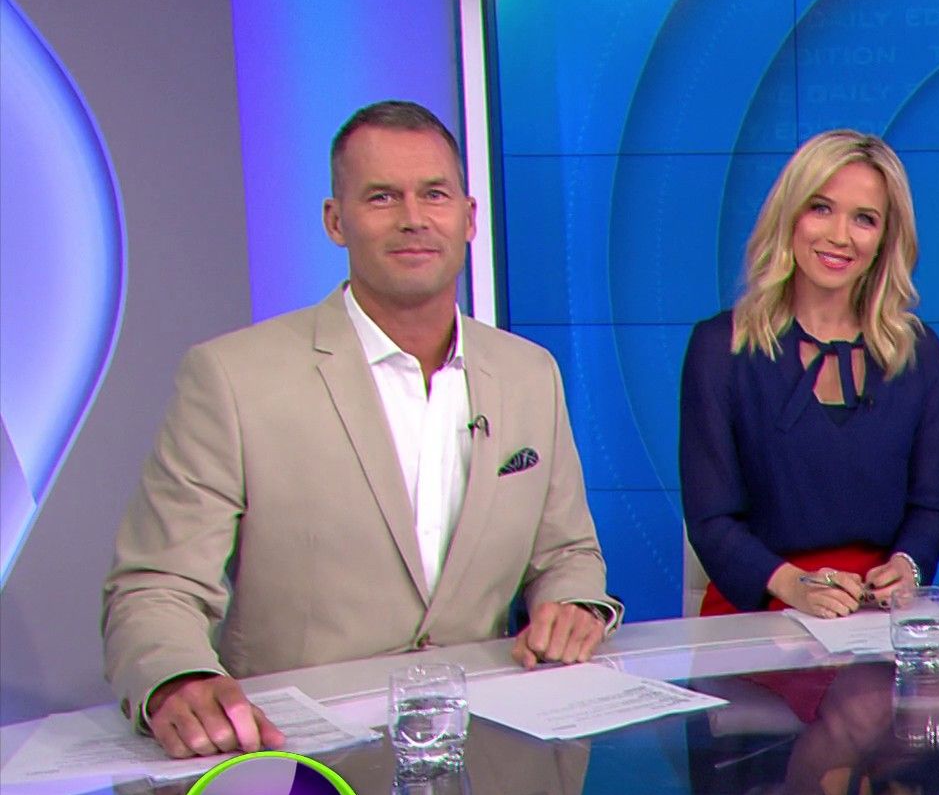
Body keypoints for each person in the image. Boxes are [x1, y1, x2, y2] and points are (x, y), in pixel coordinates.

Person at [103, 100, 620, 758]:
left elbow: (568, 553)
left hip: (490, 751)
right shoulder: (232, 378)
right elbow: (157, 586)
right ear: (335, 221)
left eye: (434, 194)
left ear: (468, 218)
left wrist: (574, 606)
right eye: (381, 197)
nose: (413, 218)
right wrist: (180, 680)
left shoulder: (529, 374)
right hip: (302, 762)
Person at [679, 129, 939, 624]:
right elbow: (711, 518)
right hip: (761, 607)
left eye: (864, 219)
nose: (840, 236)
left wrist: (907, 565)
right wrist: (792, 585)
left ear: (886, 239)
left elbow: (930, 508)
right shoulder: (721, 347)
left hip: (874, 612)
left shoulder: (917, 352)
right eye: (821, 208)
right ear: (789, 216)